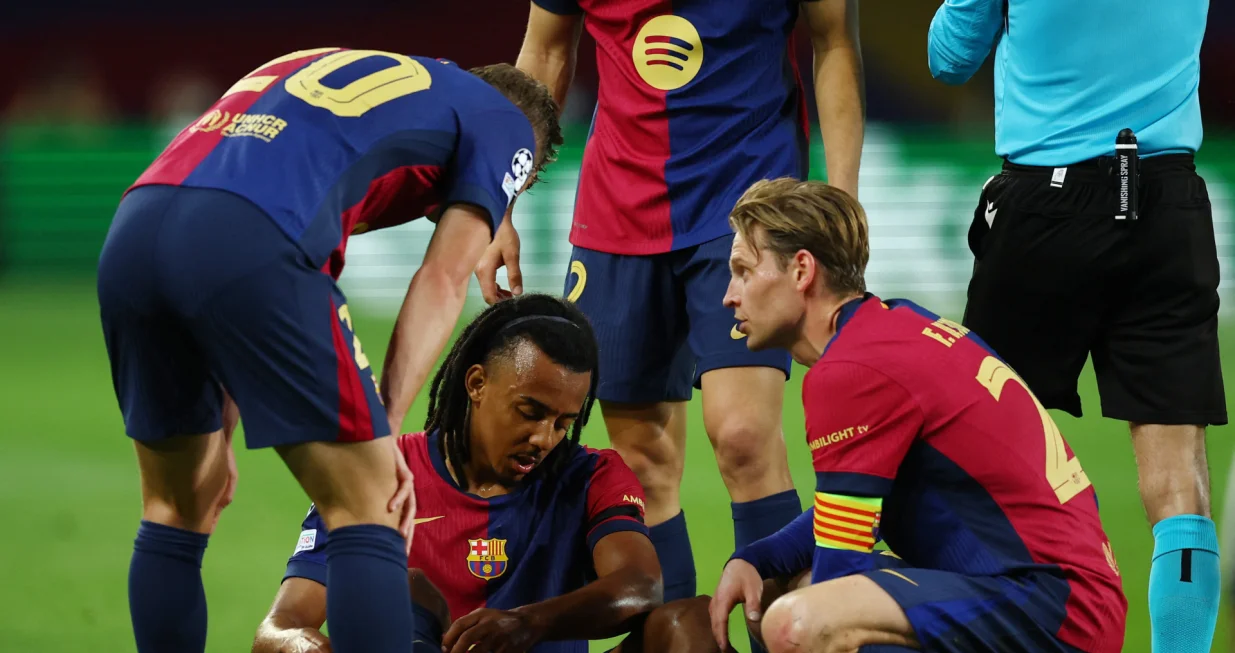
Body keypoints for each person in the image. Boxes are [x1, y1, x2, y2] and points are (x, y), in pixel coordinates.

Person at [97, 48, 561, 653]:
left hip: (137, 226)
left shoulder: (347, 70)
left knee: (174, 506)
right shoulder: (504, 126)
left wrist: (225, 401)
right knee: (371, 505)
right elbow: (443, 279)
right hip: (249, 237)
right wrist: (384, 428)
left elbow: (235, 210)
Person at [475, 1, 865, 621]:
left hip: (750, 199)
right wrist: (498, 203)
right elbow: (545, 52)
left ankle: (792, 635)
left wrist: (840, 201)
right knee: (643, 463)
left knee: (743, 437)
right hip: (618, 211)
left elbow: (834, 39)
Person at [643, 178, 1127, 653]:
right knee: (797, 589)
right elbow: (845, 517)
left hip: (1051, 610)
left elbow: (836, 580)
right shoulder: (894, 327)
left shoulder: (850, 372)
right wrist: (756, 557)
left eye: (744, 271)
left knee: (796, 621)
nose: (729, 295)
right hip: (1057, 597)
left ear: (802, 270)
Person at [927, 1, 1223, 650]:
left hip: (1043, 207)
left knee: (973, 464)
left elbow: (947, 59)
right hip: (1166, 204)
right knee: (1178, 483)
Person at [252, 294, 663, 653]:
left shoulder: (592, 474)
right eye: (530, 412)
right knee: (406, 589)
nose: (544, 438)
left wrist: (527, 623)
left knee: (685, 623)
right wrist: (302, 646)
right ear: (477, 383)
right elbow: (278, 628)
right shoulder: (382, 472)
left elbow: (641, 586)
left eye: (563, 423)